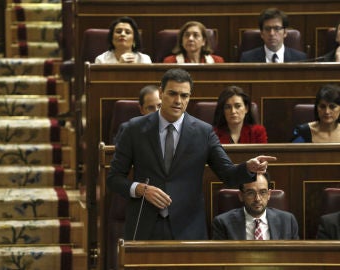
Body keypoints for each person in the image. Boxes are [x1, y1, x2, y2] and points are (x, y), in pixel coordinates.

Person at [106, 68, 276, 241]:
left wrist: (247, 168)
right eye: (172, 94)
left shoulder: (204, 132)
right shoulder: (133, 129)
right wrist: (141, 189)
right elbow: (113, 178)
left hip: (188, 229)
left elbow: (228, 174)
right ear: (161, 92)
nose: (178, 101)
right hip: (144, 226)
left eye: (184, 95)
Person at [212, 172, 299, 240]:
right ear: (241, 196)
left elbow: (295, 257)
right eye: (251, 193)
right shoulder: (223, 223)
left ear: (269, 194)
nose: (257, 199)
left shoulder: (288, 221)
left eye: (263, 192)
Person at [240, 8, 307, 63]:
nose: (271, 33)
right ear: (261, 34)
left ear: (285, 32)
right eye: (267, 29)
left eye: (277, 28)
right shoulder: (247, 59)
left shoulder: (300, 58)